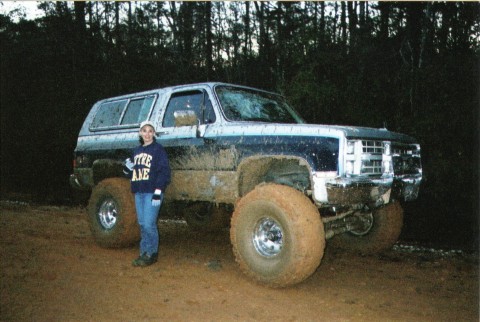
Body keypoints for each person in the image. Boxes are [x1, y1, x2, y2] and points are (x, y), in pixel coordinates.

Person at [123, 121, 171, 267]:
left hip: (152, 192)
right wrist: (127, 168)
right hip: (139, 192)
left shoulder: (158, 150)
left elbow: (164, 171)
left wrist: (158, 191)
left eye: (150, 131)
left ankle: (152, 253)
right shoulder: (136, 151)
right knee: (142, 224)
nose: (147, 133)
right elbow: (130, 172)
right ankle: (143, 252)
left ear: (154, 133)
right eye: (144, 130)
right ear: (140, 133)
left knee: (149, 224)